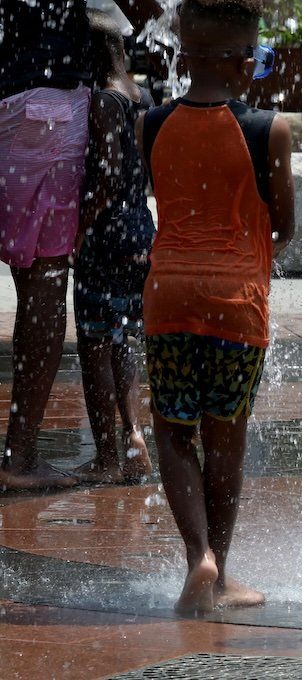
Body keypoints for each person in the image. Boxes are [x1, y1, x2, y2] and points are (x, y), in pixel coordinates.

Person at [135, 0, 294, 614]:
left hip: (168, 297)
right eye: (253, 59)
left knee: (174, 433)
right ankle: (221, 576)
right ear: (239, 63)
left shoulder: (152, 121)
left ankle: (195, 553)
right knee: (224, 438)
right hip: (237, 305)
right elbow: (284, 223)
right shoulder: (268, 130)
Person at [0, 0, 92, 491]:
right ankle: (20, 456)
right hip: (48, 114)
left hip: (10, 107)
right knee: (46, 287)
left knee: (29, 285)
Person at [71, 8, 155, 484]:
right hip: (139, 231)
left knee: (94, 343)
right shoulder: (140, 95)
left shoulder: (104, 100)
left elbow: (105, 173)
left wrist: (82, 228)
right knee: (125, 340)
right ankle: (134, 437)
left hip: (106, 234)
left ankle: (106, 456)